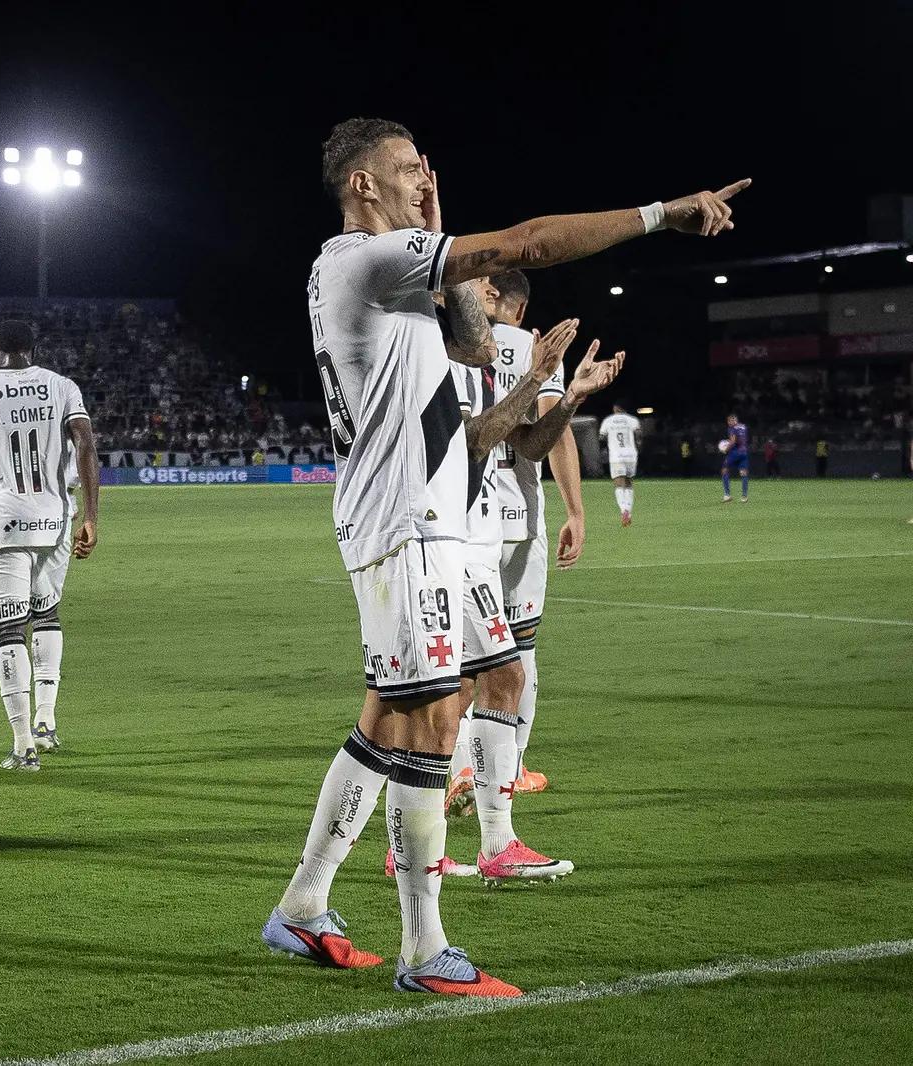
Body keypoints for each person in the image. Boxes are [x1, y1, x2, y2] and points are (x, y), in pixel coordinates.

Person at [260, 116, 745, 996]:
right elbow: (526, 244)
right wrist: (661, 214)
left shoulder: (395, 279)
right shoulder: (359, 259)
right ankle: (423, 951)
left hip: (425, 521)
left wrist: (444, 225)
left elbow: (480, 346)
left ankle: (303, 903)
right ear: (362, 185)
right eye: (407, 169)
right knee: (434, 721)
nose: (422, 178)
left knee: (386, 723)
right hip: (406, 526)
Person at [440, 278, 623, 885]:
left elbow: (531, 438)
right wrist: (537, 374)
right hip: (446, 538)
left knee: (484, 677)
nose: (484, 285)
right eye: (471, 278)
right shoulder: (439, 348)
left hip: (481, 533)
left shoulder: (491, 353)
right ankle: (434, 842)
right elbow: (473, 441)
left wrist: (566, 393)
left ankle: (482, 828)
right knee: (434, 695)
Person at [0, 320, 99, 771]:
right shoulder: (62, 387)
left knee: (10, 630)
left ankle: (22, 744)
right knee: (47, 613)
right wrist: (90, 516)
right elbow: (86, 448)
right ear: (34, 347)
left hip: (2, 524)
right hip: (54, 520)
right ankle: (47, 722)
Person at [485, 269, 576, 793]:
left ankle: (457, 770)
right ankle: (512, 767)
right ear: (520, 308)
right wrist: (577, 511)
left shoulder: (449, 342)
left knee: (462, 654)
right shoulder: (531, 348)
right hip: (519, 516)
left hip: (462, 521)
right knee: (522, 649)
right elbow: (552, 434)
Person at [599, 404, 643, 525]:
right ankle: (628, 511)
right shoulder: (632, 420)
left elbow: (601, 437)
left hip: (616, 456)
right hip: (631, 455)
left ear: (615, 408)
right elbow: (639, 436)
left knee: (619, 484)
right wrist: (638, 447)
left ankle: (623, 510)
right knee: (628, 483)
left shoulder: (608, 421)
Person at [723, 413, 750, 502]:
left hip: (735, 453)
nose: (729, 422)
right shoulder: (743, 426)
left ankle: (727, 495)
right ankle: (744, 496)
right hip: (744, 452)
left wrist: (725, 449)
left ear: (732, 421)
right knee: (743, 473)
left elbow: (733, 442)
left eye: (730, 421)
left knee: (725, 469)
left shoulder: (732, 428)